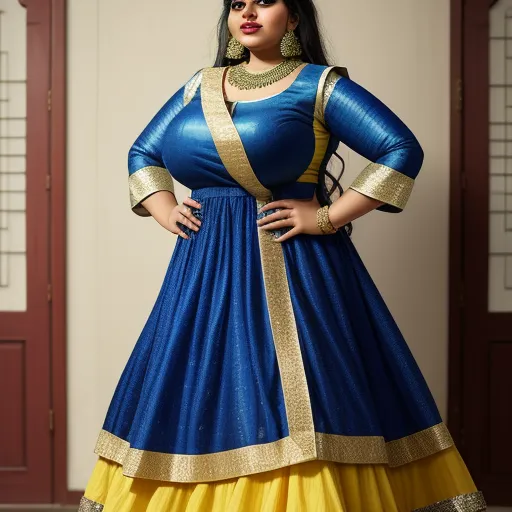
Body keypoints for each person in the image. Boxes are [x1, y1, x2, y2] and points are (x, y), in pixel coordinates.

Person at [78, 0, 487, 510]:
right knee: (197, 389)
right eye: (237, 5)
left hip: (293, 268)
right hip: (201, 271)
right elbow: (143, 153)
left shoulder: (319, 85)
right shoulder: (198, 86)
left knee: (302, 394)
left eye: (264, 1)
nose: (247, 13)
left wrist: (326, 217)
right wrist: (163, 210)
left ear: (294, 18)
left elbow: (400, 148)